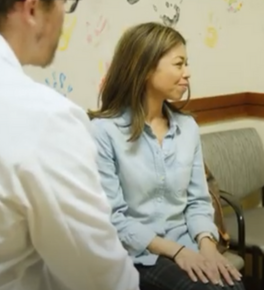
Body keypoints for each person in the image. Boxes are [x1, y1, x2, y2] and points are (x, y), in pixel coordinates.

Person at [88, 22, 245, 290]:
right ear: (146, 67)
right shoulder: (104, 131)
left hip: (186, 241)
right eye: (179, 64)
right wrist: (177, 253)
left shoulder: (187, 128)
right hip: (135, 253)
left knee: (231, 285)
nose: (188, 73)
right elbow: (114, 219)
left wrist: (207, 247)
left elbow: (197, 201)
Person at [0, 1, 140, 290]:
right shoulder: (45, 120)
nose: (65, 13)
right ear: (33, 8)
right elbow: (101, 279)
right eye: (65, 3)